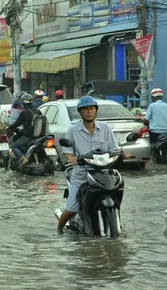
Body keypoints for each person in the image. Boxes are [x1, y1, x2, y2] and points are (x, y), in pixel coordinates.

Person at [57, 96, 119, 234]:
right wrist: (71, 157)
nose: (89, 112)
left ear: (96, 111)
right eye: (85, 109)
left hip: (102, 172)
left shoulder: (105, 128)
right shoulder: (73, 130)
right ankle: (59, 230)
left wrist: (123, 153)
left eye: (91, 108)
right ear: (80, 112)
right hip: (82, 174)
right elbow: (66, 151)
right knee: (72, 208)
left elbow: (114, 148)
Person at [7, 94, 40, 165]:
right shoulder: (38, 111)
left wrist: (9, 128)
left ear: (23, 103)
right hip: (39, 136)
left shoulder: (24, 112)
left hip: (29, 136)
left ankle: (23, 158)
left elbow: (16, 124)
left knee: (14, 146)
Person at [143, 88, 167, 161]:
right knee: (164, 148)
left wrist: (144, 121)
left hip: (155, 132)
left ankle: (155, 157)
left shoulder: (152, 106)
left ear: (153, 97)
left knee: (153, 149)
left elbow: (146, 120)